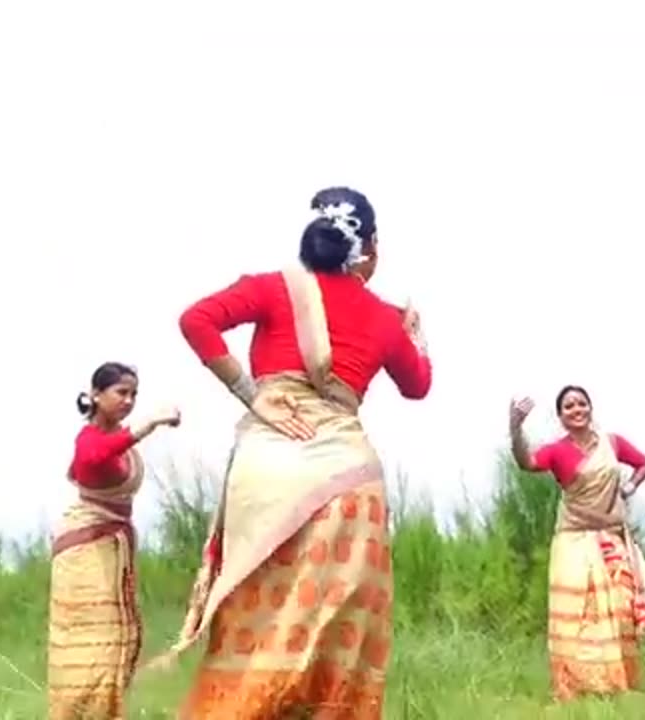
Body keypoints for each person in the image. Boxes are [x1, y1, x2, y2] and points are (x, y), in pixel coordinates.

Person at [154, 187, 432, 719]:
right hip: (350, 486)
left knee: (256, 623)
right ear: (370, 248)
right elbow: (418, 385)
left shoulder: (271, 289)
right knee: (335, 637)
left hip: (271, 472)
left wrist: (252, 395)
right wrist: (416, 336)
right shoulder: (386, 318)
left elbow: (196, 320)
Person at [46, 362, 180, 719]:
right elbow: (93, 457)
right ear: (95, 395)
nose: (129, 400)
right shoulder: (90, 438)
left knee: (114, 644)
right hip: (86, 548)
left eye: (134, 394)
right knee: (88, 646)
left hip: (111, 543)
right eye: (121, 392)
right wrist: (148, 424)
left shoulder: (118, 436)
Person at [508, 385, 645, 701]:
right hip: (574, 539)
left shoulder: (612, 443)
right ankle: (575, 686)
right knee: (577, 609)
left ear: (590, 407)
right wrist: (515, 427)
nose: (576, 410)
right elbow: (526, 462)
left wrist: (630, 487)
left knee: (616, 609)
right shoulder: (557, 450)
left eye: (581, 403)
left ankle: (616, 681)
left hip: (611, 537)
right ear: (561, 416)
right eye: (568, 407)